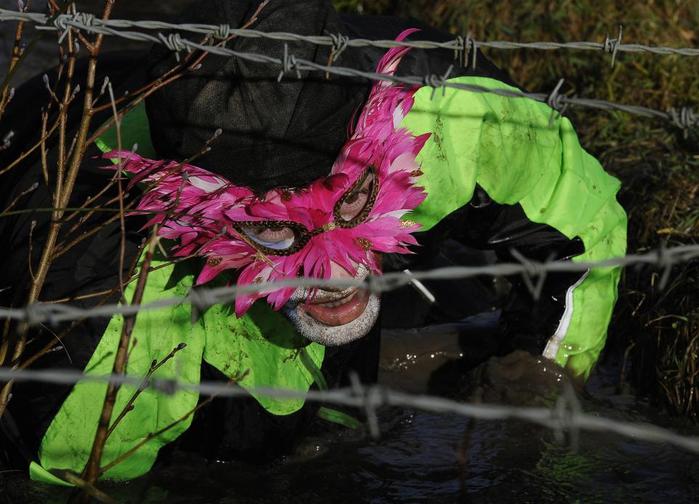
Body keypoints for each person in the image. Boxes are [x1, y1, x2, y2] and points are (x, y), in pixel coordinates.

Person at [0, 0, 626, 485]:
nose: (334, 271)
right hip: (60, 159)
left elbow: (585, 222)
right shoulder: (107, 323)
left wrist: (546, 370)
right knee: (249, 444)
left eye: (350, 202)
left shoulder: (449, 120)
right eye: (277, 230)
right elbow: (71, 480)